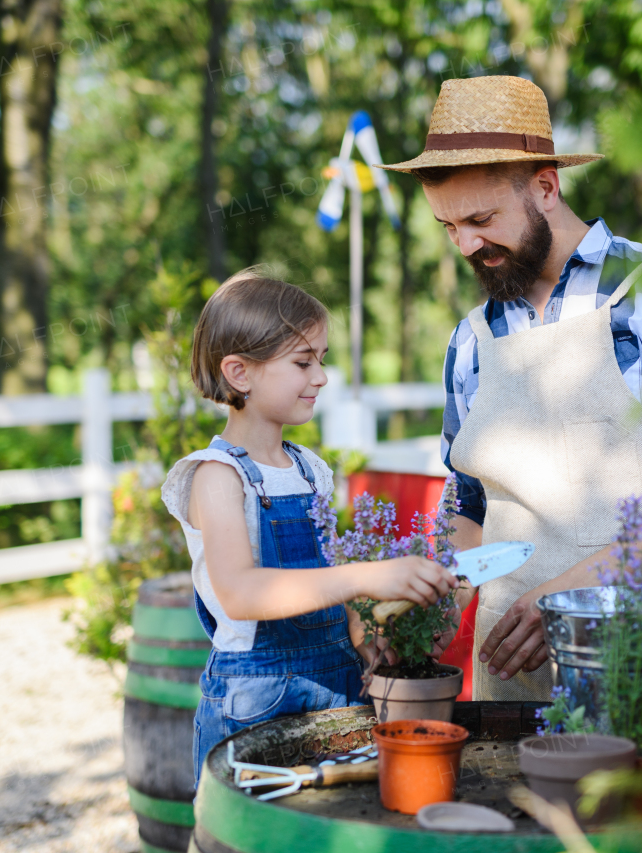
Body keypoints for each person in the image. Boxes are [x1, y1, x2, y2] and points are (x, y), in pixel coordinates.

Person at [378, 76, 642, 702]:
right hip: (513, 679)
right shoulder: (471, 339)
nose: (466, 244)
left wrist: (566, 600)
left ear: (546, 187)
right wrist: (422, 616)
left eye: (481, 219)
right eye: (448, 227)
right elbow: (468, 507)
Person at [160, 270, 458, 785]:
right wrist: (365, 577)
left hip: (338, 683)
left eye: (321, 360)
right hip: (257, 697)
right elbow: (239, 592)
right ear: (239, 373)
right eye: (303, 363)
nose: (320, 377)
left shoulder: (309, 469)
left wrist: (363, 634)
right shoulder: (217, 475)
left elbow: (324, 576)